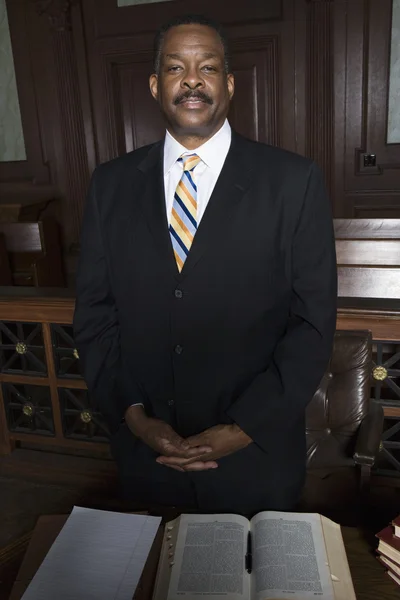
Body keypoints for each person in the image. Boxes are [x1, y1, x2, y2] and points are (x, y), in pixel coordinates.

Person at [73, 14, 337, 516]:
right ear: (155, 85)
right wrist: (134, 417)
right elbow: (95, 315)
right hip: (147, 458)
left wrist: (243, 428)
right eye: (176, 67)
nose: (192, 79)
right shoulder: (110, 185)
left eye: (208, 67)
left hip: (255, 460)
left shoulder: (293, 181)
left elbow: (312, 325)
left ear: (229, 84)